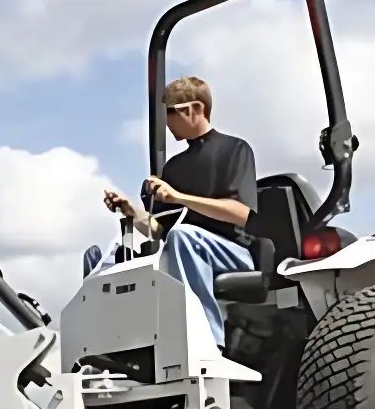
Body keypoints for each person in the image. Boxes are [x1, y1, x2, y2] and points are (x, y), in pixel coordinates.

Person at [82, 75, 258, 349]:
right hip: (183, 247)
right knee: (115, 258)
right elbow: (160, 230)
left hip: (233, 252)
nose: (166, 121)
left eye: (171, 113)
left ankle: (207, 343)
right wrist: (131, 212)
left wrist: (179, 197)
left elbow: (241, 214)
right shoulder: (174, 167)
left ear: (195, 109)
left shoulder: (235, 150)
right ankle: (116, 347)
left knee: (183, 236)